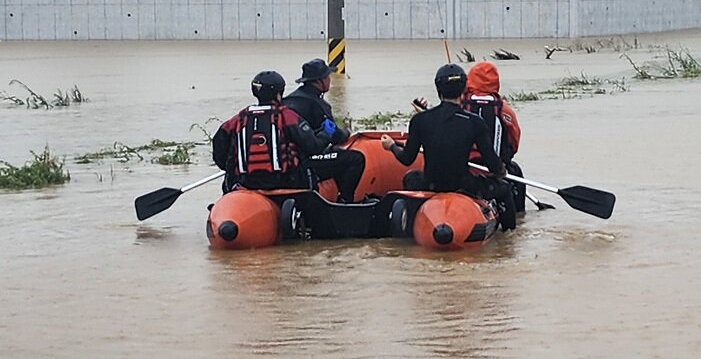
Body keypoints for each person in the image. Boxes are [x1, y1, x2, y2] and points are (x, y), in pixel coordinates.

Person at [382, 63, 516, 230]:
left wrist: (391, 146)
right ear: (464, 89)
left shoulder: (419, 120)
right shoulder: (475, 122)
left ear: (438, 89)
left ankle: (413, 224)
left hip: (431, 184)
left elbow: (407, 159)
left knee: (410, 178)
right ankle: (509, 236)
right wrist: (501, 172)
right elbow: (492, 163)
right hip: (463, 186)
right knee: (504, 189)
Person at [211, 70, 324, 192]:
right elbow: (313, 146)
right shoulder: (288, 117)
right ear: (279, 94)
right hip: (286, 183)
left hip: (246, 184)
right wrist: (326, 135)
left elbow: (219, 152)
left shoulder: (237, 120)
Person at [283, 58, 365, 203]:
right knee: (356, 159)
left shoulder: (289, 100)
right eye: (327, 77)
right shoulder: (318, 104)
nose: (330, 80)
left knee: (336, 154)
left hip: (288, 160)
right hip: (306, 161)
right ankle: (346, 201)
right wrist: (346, 132)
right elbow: (336, 136)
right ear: (318, 81)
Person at [465, 61, 527, 212]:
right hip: (494, 169)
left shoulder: (459, 105)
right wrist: (504, 161)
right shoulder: (504, 110)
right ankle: (518, 213)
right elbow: (514, 142)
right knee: (517, 173)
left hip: (464, 168)